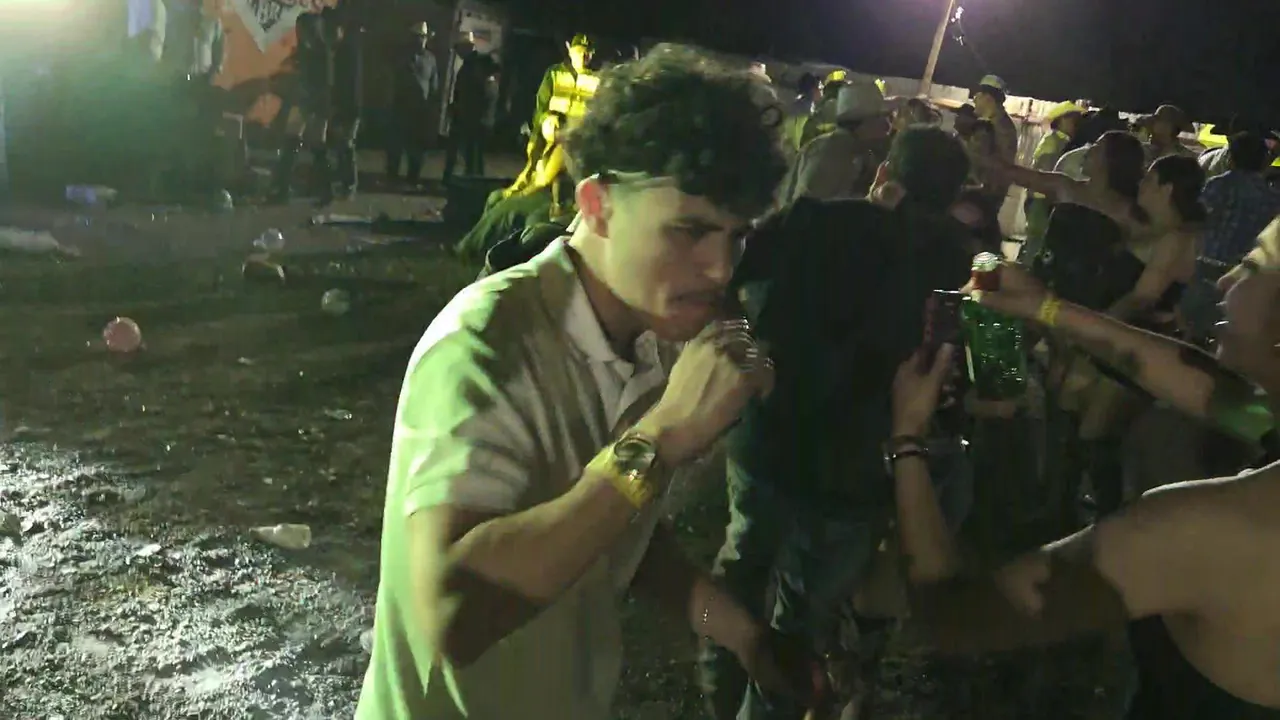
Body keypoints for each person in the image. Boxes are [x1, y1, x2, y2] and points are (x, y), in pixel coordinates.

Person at [354, 45, 809, 720]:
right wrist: (661, 438)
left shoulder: (650, 338)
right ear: (596, 205)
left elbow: (612, 529)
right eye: (690, 231)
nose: (720, 268)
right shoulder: (485, 346)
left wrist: (742, 634)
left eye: (737, 237)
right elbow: (451, 618)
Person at [887, 255, 1279, 720]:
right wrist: (1046, 308)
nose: (1225, 279)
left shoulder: (1203, 530)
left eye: (1254, 268)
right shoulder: (1262, 421)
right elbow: (1212, 389)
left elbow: (951, 617)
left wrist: (907, 439)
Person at [700, 125, 975, 720]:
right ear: (954, 196)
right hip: (855, 466)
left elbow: (722, 278)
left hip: (769, 435)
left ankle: (719, 681)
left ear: (884, 173)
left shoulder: (811, 220)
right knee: (802, 614)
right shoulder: (958, 261)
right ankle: (762, 701)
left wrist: (744, 345)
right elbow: (959, 369)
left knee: (744, 558)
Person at [779, 78, 890, 203]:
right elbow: (811, 207)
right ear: (864, 124)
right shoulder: (831, 152)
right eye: (880, 118)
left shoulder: (856, 150)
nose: (887, 126)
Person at [271, 11, 332, 202]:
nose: (298, 33)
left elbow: (325, 83)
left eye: (301, 29)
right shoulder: (307, 51)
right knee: (293, 142)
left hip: (316, 105)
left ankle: (323, 188)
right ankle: (283, 188)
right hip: (304, 102)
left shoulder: (321, 53)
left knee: (315, 146)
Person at [1023, 102, 1085, 257]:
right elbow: (1046, 170)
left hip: (1043, 198)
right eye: (1073, 120)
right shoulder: (1053, 141)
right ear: (1062, 120)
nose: (1076, 124)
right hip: (1041, 198)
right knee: (1037, 240)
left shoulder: (1060, 140)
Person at [385, 21, 438, 187]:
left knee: (416, 147)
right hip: (401, 106)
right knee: (396, 145)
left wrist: (432, 107)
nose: (420, 40)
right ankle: (392, 176)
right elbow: (391, 78)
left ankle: (413, 178)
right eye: (417, 37)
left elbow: (434, 84)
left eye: (423, 37)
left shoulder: (430, 59)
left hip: (420, 110)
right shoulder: (401, 56)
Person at [322, 3, 363, 201]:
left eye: (332, 29)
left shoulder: (348, 52)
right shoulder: (336, 50)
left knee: (346, 145)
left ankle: (350, 185)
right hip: (340, 106)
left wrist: (345, 110)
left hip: (349, 107)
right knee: (340, 146)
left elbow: (352, 85)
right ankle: (343, 183)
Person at [442, 36, 495, 183]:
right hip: (468, 114)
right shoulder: (471, 65)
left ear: (468, 48)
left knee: (471, 152)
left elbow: (483, 92)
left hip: (471, 116)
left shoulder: (476, 66)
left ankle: (469, 180)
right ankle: (467, 178)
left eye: (460, 48)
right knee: (471, 152)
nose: (458, 52)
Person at [971, 74, 1018, 203]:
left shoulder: (1001, 128)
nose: (974, 99)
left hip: (984, 195)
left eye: (978, 95)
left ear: (988, 98)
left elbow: (1000, 165)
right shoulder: (991, 123)